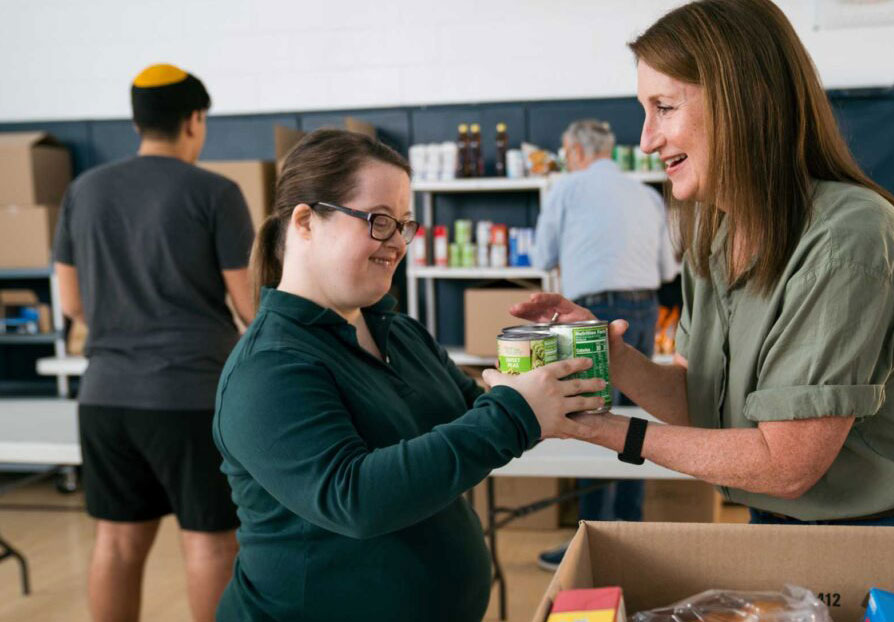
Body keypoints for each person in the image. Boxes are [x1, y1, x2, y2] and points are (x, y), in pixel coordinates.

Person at [510, 0, 894, 529]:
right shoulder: (718, 234)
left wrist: (602, 430)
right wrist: (613, 355)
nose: (645, 140)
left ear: (742, 102)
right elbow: (702, 405)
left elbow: (785, 465)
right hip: (786, 524)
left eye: (664, 108)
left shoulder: (849, 238)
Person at [211, 128, 605, 621]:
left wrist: (551, 368)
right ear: (306, 222)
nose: (397, 243)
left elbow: (474, 415)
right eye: (378, 221)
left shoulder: (398, 332)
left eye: (403, 225)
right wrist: (513, 414)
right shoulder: (268, 369)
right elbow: (354, 498)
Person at [53, 63, 255, 621]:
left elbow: (72, 305)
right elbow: (250, 307)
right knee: (211, 542)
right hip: (189, 398)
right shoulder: (216, 193)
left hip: (104, 400)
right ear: (195, 120)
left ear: (138, 121)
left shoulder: (83, 190)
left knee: (115, 543)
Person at [531, 119, 678, 571]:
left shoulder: (567, 189)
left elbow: (541, 257)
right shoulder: (648, 194)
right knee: (638, 420)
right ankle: (631, 534)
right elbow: (668, 269)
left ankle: (588, 541)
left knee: (590, 416)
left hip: (587, 313)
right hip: (642, 308)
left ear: (574, 150)